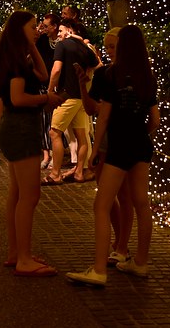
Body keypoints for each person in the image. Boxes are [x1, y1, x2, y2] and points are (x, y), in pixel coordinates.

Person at [66, 25, 159, 286]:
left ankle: (98, 270)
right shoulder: (147, 77)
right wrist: (141, 133)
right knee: (142, 203)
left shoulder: (111, 74)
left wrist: (95, 152)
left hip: (118, 146)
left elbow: (103, 116)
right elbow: (155, 120)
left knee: (102, 205)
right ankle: (140, 262)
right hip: (141, 145)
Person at [0, 10, 64, 276]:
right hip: (22, 129)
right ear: (20, 30)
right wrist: (46, 100)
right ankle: (23, 258)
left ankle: (16, 252)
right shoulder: (17, 63)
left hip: (16, 128)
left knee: (17, 195)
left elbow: (43, 76)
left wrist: (31, 43)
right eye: (33, 27)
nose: (38, 31)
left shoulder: (16, 57)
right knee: (30, 196)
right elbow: (18, 98)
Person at [77, 27, 133, 266]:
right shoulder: (103, 74)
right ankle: (119, 244)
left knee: (126, 195)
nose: (110, 51)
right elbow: (91, 108)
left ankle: (122, 246)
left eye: (114, 47)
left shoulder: (134, 75)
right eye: (108, 47)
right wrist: (82, 85)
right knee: (106, 194)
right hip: (106, 140)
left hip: (124, 140)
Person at [44, 17, 99, 185]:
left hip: (67, 95)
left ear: (69, 30)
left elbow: (56, 69)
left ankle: (55, 174)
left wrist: (50, 90)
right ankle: (80, 173)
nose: (58, 34)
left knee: (54, 132)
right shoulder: (84, 47)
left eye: (60, 31)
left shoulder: (62, 45)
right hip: (83, 97)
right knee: (82, 136)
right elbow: (96, 64)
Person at [37, 12, 60, 168]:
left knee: (54, 122)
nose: (44, 28)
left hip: (56, 85)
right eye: (42, 25)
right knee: (42, 121)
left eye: (46, 26)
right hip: (42, 84)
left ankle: (54, 155)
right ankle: (45, 155)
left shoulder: (61, 42)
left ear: (54, 26)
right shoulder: (42, 41)